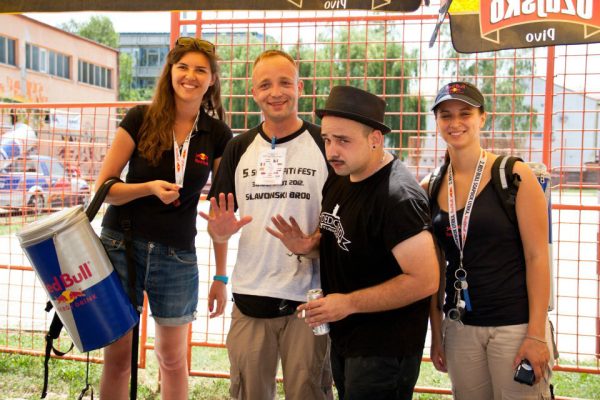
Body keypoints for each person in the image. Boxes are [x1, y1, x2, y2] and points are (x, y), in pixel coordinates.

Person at [267, 85, 440, 400]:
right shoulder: (340, 177)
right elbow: (350, 242)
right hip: (347, 338)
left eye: (343, 140)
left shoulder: (398, 197)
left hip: (384, 349)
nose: (332, 151)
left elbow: (425, 279)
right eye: (327, 139)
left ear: (375, 139)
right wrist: (310, 248)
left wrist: (348, 303)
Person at [95, 37, 232, 399]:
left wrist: (221, 276)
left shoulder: (217, 134)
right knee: (118, 358)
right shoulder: (140, 118)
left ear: (212, 80)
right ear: (170, 72)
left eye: (200, 70)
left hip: (176, 255)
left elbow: (221, 210)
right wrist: (149, 188)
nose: (190, 76)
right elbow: (104, 188)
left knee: (172, 359)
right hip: (122, 244)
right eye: (182, 67)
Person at [199, 49, 332, 399]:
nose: (276, 92)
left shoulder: (324, 143)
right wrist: (218, 242)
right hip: (251, 300)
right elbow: (220, 224)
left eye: (285, 82)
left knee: (309, 391)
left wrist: (314, 243)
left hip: (310, 302)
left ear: (300, 87)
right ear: (253, 92)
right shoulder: (238, 147)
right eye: (265, 85)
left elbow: (343, 218)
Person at [424, 81, 553, 399]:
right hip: (460, 327)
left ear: (482, 118)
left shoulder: (514, 176)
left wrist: (536, 335)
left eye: (465, 113)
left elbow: (538, 257)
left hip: (514, 326)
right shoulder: (431, 185)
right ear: (437, 121)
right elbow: (434, 268)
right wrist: (437, 333)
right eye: (445, 115)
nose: (455, 123)